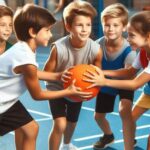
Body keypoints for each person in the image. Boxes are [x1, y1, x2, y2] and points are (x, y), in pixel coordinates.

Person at [0, 4, 93, 150]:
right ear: (32, 32)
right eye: (47, 30)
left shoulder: (24, 48)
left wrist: (57, 75)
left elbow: (32, 72)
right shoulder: (25, 58)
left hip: (6, 103)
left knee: (31, 129)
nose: (50, 34)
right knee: (30, 129)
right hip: (2, 103)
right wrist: (68, 92)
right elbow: (38, 95)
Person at [84, 11, 150, 150]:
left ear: (148, 36)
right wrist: (102, 72)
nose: (128, 38)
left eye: (132, 35)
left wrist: (104, 81)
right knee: (129, 119)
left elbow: (134, 83)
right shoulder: (143, 52)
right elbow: (129, 72)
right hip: (149, 93)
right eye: (128, 34)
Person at [44, 1, 102, 150]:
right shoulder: (59, 48)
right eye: (79, 25)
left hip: (77, 89)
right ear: (68, 26)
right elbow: (44, 74)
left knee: (72, 122)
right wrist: (59, 75)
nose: (84, 29)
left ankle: (67, 144)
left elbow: (98, 75)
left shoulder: (96, 49)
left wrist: (94, 83)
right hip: (57, 89)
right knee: (60, 123)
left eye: (88, 25)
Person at [91, 3, 136, 150]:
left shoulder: (129, 50)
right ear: (102, 25)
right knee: (98, 117)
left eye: (115, 25)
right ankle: (108, 135)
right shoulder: (97, 45)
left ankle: (130, 137)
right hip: (105, 84)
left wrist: (103, 74)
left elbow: (128, 73)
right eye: (107, 25)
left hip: (124, 83)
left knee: (124, 111)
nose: (111, 29)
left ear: (124, 27)